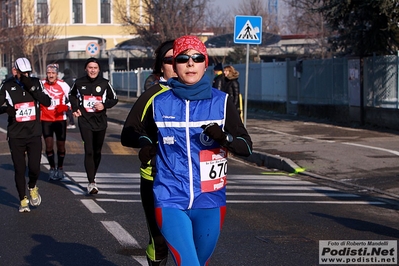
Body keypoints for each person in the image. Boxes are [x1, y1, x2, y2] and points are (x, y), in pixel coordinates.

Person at [131, 36, 252, 266]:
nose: (190, 63)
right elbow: (142, 132)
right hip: (170, 197)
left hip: (210, 200)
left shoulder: (222, 102)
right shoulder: (159, 102)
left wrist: (224, 138)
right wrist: (146, 146)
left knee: (199, 262)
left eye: (197, 58)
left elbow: (246, 146)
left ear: (205, 64)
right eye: (183, 58)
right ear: (174, 66)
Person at [121, 39, 176, 266]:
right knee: (161, 242)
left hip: (193, 181)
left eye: (182, 58)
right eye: (170, 60)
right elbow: (128, 134)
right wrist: (148, 144)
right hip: (156, 178)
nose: (178, 64)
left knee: (191, 242)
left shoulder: (203, 96)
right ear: (160, 66)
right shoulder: (153, 95)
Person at [0, 57, 51, 212]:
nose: (26, 75)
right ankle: (22, 200)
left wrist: (33, 89)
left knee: (35, 167)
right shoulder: (7, 86)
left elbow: (47, 102)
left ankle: (32, 186)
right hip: (16, 134)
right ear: (15, 71)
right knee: (19, 168)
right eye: (23, 73)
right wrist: (6, 109)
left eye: (28, 72)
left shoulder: (36, 83)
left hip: (34, 132)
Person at [69, 57, 118, 194]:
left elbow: (114, 98)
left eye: (95, 68)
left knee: (97, 151)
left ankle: (93, 175)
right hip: (85, 120)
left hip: (100, 121)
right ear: (86, 69)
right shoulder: (79, 83)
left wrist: (104, 105)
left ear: (99, 69)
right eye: (90, 68)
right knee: (89, 150)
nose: (92, 70)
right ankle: (91, 182)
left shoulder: (104, 83)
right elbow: (71, 95)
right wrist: (75, 108)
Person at [40, 64, 71, 180]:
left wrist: (66, 107)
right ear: (46, 74)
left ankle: (60, 167)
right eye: (49, 73)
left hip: (60, 119)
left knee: (61, 146)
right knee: (48, 145)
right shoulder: (41, 84)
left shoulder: (63, 85)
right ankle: (52, 168)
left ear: (57, 74)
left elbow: (73, 98)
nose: (51, 75)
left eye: (53, 73)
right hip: (46, 119)